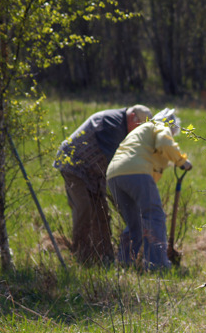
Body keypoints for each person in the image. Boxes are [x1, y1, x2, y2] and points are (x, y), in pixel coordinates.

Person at [54, 104, 152, 265]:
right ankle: (81, 257)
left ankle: (105, 258)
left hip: (93, 174)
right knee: (84, 208)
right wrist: (125, 205)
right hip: (74, 166)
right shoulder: (111, 123)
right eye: (140, 126)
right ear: (133, 117)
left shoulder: (123, 127)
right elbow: (115, 165)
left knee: (101, 215)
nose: (139, 131)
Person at [107, 108, 192, 271]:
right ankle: (157, 264)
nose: (171, 136)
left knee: (135, 223)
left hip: (113, 175)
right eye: (172, 134)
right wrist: (182, 161)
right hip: (136, 171)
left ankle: (124, 263)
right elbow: (164, 142)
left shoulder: (140, 131)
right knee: (154, 216)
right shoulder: (160, 126)